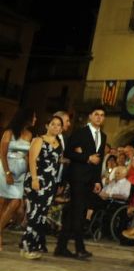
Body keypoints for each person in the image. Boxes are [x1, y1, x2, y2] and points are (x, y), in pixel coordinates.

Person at [55, 106, 106, 260]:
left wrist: (97, 180)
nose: (99, 117)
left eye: (102, 115)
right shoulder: (80, 132)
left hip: (90, 179)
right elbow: (69, 152)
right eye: (96, 114)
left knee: (73, 213)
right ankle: (79, 248)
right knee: (78, 213)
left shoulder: (103, 136)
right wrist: (86, 157)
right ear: (90, 116)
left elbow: (100, 159)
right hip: (77, 177)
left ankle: (61, 247)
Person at [20, 115, 64, 259]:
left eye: (59, 125)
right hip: (36, 180)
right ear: (47, 125)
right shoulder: (39, 140)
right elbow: (32, 159)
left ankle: (27, 244)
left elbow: (57, 163)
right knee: (34, 213)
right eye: (53, 124)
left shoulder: (59, 144)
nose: (56, 127)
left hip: (50, 183)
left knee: (41, 215)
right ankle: (28, 247)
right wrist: (34, 179)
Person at [0, 108, 35, 251]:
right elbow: (2, 154)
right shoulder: (8, 133)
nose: (35, 120)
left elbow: (28, 155)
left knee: (15, 202)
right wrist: (7, 172)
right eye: (33, 117)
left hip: (20, 175)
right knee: (1, 203)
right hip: (4, 170)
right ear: (25, 118)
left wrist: (28, 172)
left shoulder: (30, 134)